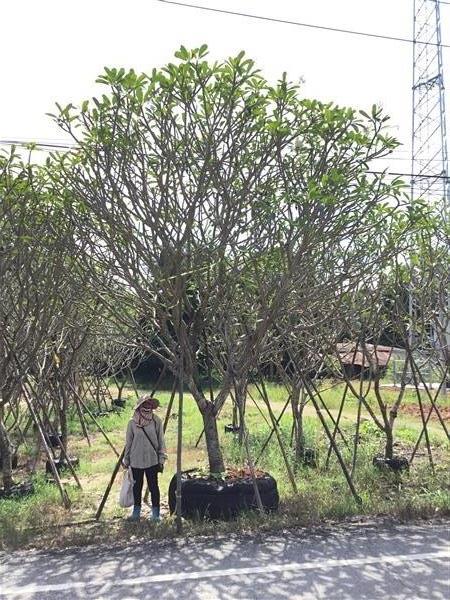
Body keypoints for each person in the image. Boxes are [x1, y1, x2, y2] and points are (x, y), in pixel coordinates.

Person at [123, 395, 167, 521]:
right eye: (145, 404)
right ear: (140, 406)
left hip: (152, 460)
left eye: (149, 404)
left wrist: (161, 458)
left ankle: (156, 514)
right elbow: (129, 442)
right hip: (136, 460)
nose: (147, 407)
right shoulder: (132, 423)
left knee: (154, 486)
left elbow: (161, 441)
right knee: (137, 487)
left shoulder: (156, 421)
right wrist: (126, 460)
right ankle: (136, 512)